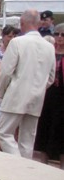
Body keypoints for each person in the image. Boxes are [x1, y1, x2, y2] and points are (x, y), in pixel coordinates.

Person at [0, 9, 57, 158]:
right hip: (37, 97)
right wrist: (39, 89)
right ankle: (24, 169)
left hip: (15, 95)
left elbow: (6, 72)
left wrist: (2, 91)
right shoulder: (49, 47)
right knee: (28, 140)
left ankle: (19, 164)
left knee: (3, 133)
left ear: (22, 23)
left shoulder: (17, 42)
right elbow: (51, 77)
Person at [33, 22, 64, 165]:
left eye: (63, 35)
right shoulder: (49, 52)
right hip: (47, 95)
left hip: (62, 97)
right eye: (57, 34)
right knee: (44, 128)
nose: (59, 37)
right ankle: (43, 164)